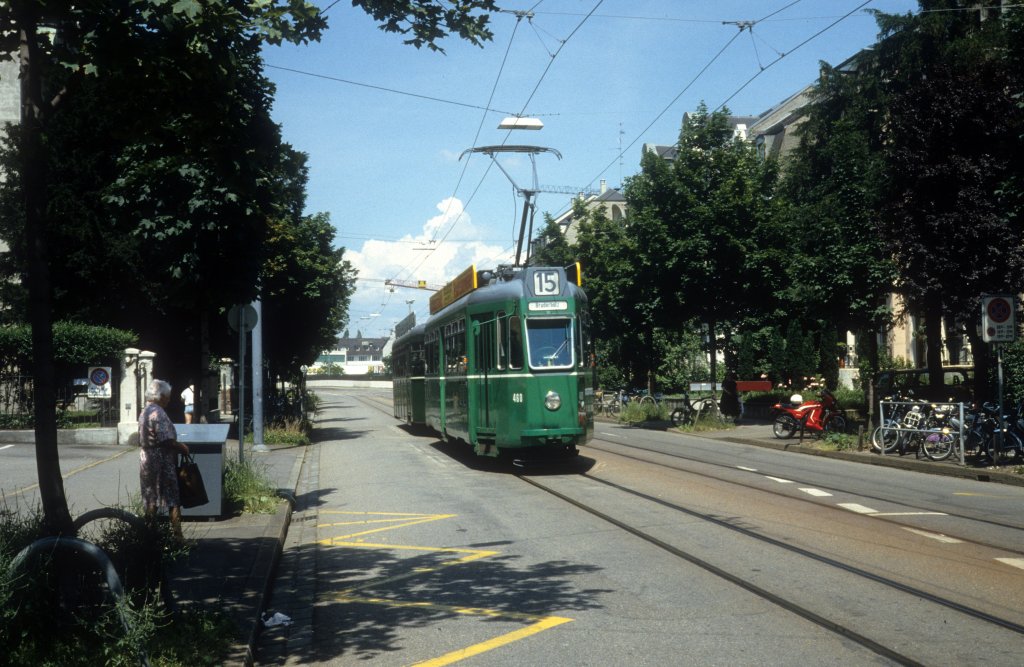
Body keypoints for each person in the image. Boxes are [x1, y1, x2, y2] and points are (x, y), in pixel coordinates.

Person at [139, 379, 190, 541]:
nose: (169, 399)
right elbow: (166, 440)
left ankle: (148, 536)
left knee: (151, 498)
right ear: (160, 396)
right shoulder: (158, 413)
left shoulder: (145, 411)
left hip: (147, 459)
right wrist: (182, 447)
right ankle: (178, 537)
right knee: (172, 498)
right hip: (161, 460)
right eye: (167, 396)